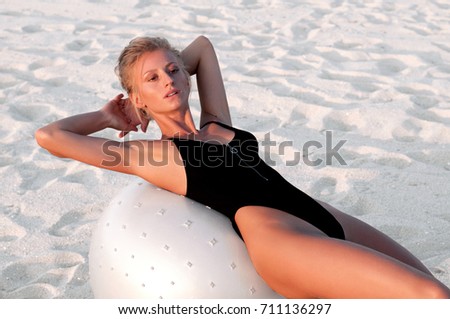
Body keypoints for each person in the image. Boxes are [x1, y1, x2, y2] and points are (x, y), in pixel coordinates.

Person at [35, 35, 450, 298]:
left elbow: (202, 47)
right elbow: (50, 137)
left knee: (436, 293)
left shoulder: (217, 122)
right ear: (136, 97)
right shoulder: (157, 155)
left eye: (173, 70)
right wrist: (110, 117)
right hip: (282, 242)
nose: (169, 80)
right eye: (152, 79)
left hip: (322, 216)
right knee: (430, 300)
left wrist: (166, 64)